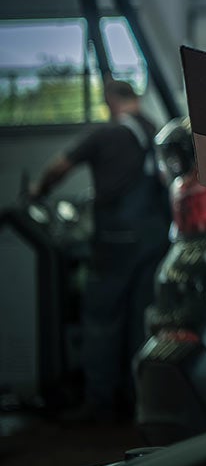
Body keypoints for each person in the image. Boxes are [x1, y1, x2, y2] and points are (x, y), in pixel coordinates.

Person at [30, 78, 171, 421]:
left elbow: (58, 168)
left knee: (102, 318)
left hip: (116, 240)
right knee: (142, 318)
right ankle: (137, 399)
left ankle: (99, 402)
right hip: (155, 238)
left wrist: (37, 192)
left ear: (110, 99)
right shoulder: (156, 131)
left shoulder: (106, 134)